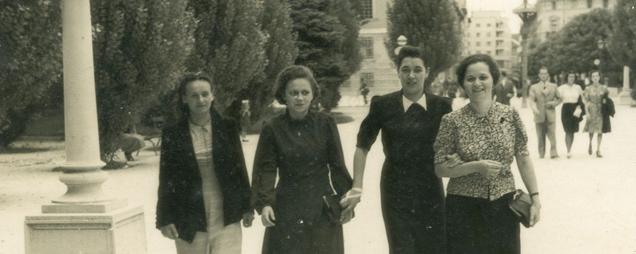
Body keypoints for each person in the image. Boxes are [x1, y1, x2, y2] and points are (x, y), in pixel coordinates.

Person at [340, 46, 452, 254]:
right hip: (395, 190)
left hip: (430, 189)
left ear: (426, 71)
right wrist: (357, 186)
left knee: (435, 247)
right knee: (401, 248)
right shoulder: (383, 105)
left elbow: (455, 148)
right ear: (398, 71)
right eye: (406, 69)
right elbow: (362, 147)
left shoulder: (442, 107)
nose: (411, 75)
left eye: (417, 69)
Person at [434, 54, 541, 254]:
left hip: (503, 206)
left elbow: (523, 156)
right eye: (470, 78)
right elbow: (439, 168)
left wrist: (535, 198)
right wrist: (475, 166)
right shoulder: (451, 121)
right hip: (463, 208)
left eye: (483, 77)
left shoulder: (509, 115)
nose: (477, 83)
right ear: (463, 84)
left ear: (493, 79)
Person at [251, 65, 353, 254]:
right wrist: (265, 203)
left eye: (305, 92)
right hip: (287, 209)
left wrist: (346, 199)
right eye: (294, 93)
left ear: (313, 94)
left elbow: (337, 165)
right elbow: (265, 169)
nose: (299, 98)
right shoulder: (272, 128)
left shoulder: (326, 123)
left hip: (321, 208)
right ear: (284, 95)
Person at [155, 73, 253, 254]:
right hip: (188, 214)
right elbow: (166, 176)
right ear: (184, 99)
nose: (201, 100)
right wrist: (164, 218)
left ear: (212, 95)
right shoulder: (173, 133)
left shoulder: (228, 126)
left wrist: (247, 206)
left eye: (205, 94)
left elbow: (240, 167)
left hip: (225, 211)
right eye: (194, 95)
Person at [529, 66, 562, 159]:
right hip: (539, 114)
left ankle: (554, 153)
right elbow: (531, 100)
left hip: (550, 113)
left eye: (545, 74)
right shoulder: (534, 87)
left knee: (552, 134)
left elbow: (560, 99)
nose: (543, 75)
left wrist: (553, 103)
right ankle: (541, 153)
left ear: (547, 75)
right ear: (539, 75)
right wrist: (534, 109)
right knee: (540, 135)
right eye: (541, 74)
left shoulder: (553, 86)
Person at [582, 70, 610, 158]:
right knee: (591, 129)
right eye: (593, 76)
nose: (595, 78)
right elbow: (585, 101)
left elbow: (607, 99)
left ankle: (598, 149)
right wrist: (587, 112)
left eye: (597, 76)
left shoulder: (604, 88)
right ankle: (590, 143)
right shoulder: (588, 88)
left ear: (599, 77)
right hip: (592, 109)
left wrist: (606, 104)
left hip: (601, 110)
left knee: (600, 130)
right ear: (591, 78)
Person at [557, 72, 585, 158]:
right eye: (570, 77)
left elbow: (581, 98)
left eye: (573, 77)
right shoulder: (562, 88)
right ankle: (568, 150)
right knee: (567, 130)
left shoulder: (578, 87)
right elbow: (557, 98)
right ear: (567, 78)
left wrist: (580, 107)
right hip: (566, 109)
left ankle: (570, 149)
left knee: (572, 131)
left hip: (575, 109)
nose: (571, 78)